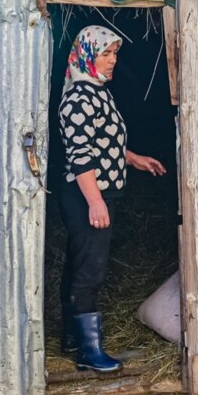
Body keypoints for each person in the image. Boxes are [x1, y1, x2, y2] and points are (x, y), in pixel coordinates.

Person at [56, 24, 166, 373]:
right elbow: (80, 156)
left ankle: (72, 339)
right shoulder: (78, 98)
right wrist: (95, 201)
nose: (112, 60)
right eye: (105, 53)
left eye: (115, 53)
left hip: (97, 191)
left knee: (81, 262)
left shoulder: (97, 91)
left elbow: (105, 143)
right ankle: (90, 352)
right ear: (88, 55)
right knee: (91, 268)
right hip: (86, 193)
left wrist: (133, 159)